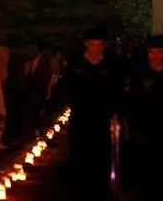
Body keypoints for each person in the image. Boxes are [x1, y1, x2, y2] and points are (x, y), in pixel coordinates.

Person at [63, 27, 118, 201]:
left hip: (102, 117)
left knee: (102, 156)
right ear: (86, 45)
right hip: (81, 116)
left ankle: (101, 190)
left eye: (99, 44)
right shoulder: (76, 63)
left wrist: (118, 112)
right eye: (92, 44)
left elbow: (116, 90)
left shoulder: (110, 64)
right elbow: (65, 86)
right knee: (79, 155)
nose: (96, 48)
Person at [127, 35, 163, 201]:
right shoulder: (140, 72)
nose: (155, 56)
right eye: (151, 52)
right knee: (146, 168)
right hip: (146, 127)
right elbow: (132, 99)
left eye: (159, 52)